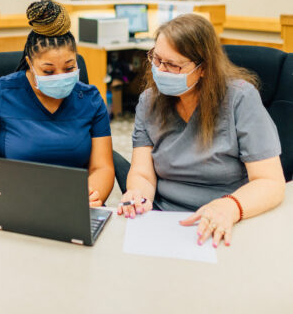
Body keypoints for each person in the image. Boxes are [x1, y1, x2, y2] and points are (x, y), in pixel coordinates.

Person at [117, 14, 285, 248]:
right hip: (165, 219)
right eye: (156, 59)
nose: (161, 70)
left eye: (173, 65)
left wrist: (228, 207)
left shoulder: (240, 99)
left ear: (203, 68)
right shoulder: (149, 101)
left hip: (227, 219)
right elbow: (143, 174)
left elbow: (270, 182)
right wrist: (138, 195)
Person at [0, 0, 114, 208]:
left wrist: (92, 195)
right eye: (48, 71)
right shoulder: (1, 93)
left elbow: (102, 167)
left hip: (72, 204)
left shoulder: (90, 100)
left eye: (69, 68)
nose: (60, 76)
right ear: (30, 63)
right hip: (13, 202)